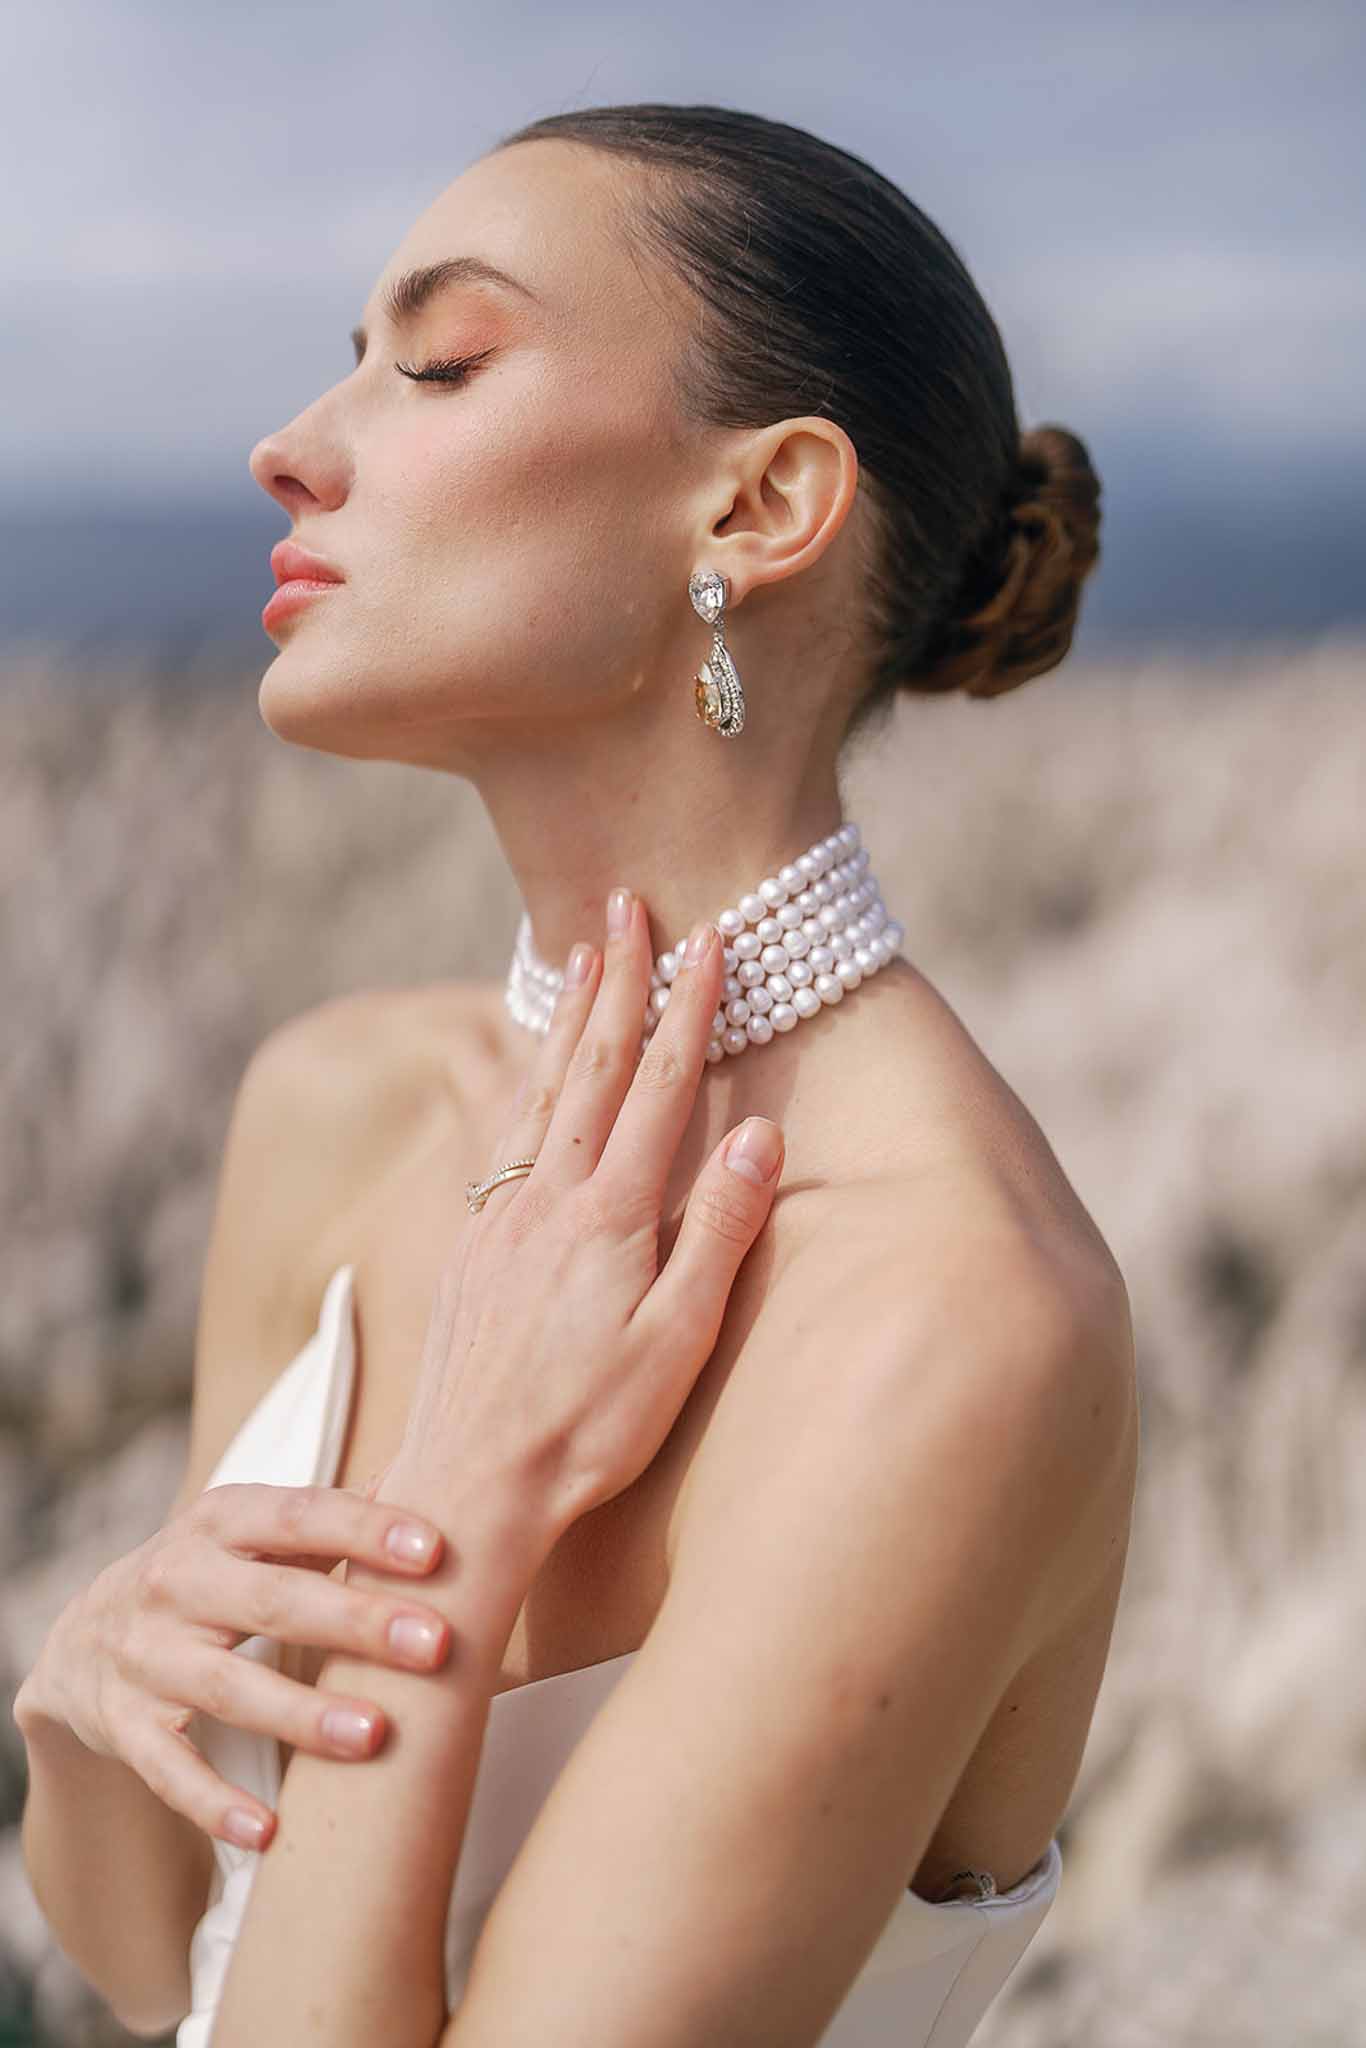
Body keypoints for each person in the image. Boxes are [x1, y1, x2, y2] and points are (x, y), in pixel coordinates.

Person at [15, 102, 1137, 2046]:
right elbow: (151, 1953)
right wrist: (79, 1695)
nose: (295, 443)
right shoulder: (335, 1103)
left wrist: (457, 1501)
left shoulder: (952, 1320)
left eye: (438, 362)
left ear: (758, 506)